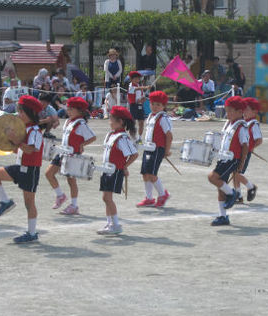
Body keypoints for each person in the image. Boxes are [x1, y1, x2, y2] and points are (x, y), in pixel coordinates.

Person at [0, 96, 44, 243]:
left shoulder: (35, 131)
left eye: (22, 113)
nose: (19, 116)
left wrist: (15, 140)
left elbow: (30, 150)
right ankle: (5, 202)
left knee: (29, 203)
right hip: (20, 167)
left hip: (31, 170)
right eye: (18, 112)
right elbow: (19, 149)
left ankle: (32, 233)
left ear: (30, 113)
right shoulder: (24, 129)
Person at [45, 97, 96, 215]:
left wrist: (82, 144)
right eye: (68, 108)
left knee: (71, 181)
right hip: (62, 153)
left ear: (80, 111)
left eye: (71, 109)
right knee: (49, 173)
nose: (68, 110)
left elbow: (92, 137)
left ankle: (74, 205)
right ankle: (60, 195)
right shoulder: (69, 121)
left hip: (73, 155)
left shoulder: (81, 124)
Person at [207, 96, 249, 226]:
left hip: (232, 159)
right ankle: (223, 216)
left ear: (240, 111)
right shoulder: (228, 123)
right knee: (221, 188)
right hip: (224, 158)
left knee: (212, 177)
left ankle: (232, 194)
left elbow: (245, 146)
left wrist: (241, 163)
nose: (228, 113)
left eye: (231, 111)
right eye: (227, 110)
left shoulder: (241, 127)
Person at [97, 106, 139, 235]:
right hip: (107, 170)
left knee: (107, 198)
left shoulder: (122, 138)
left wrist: (124, 166)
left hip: (114, 171)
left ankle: (116, 224)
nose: (109, 122)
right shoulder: (111, 135)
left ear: (120, 122)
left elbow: (134, 154)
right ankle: (109, 223)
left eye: (111, 119)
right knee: (105, 198)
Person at [137, 91, 172, 208]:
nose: (155, 107)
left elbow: (169, 135)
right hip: (148, 148)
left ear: (163, 106)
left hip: (157, 149)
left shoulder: (163, 118)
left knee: (152, 174)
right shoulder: (151, 117)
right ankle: (149, 198)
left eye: (158, 105)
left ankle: (163, 194)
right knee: (145, 174)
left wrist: (166, 151)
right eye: (153, 104)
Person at [234, 97, 262, 203]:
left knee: (236, 173)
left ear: (254, 111)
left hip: (244, 153)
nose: (244, 112)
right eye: (243, 109)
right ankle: (238, 196)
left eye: (247, 110)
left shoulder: (253, 124)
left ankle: (251, 187)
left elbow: (259, 140)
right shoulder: (244, 122)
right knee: (235, 173)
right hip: (238, 152)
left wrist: (251, 148)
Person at [128, 71, 150, 143]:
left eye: (138, 78)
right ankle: (133, 137)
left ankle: (140, 138)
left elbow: (142, 97)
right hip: (133, 106)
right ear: (131, 79)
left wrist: (143, 99)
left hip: (140, 106)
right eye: (136, 78)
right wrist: (145, 87)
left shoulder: (139, 87)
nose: (137, 80)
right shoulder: (131, 86)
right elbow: (135, 90)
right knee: (133, 122)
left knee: (141, 122)